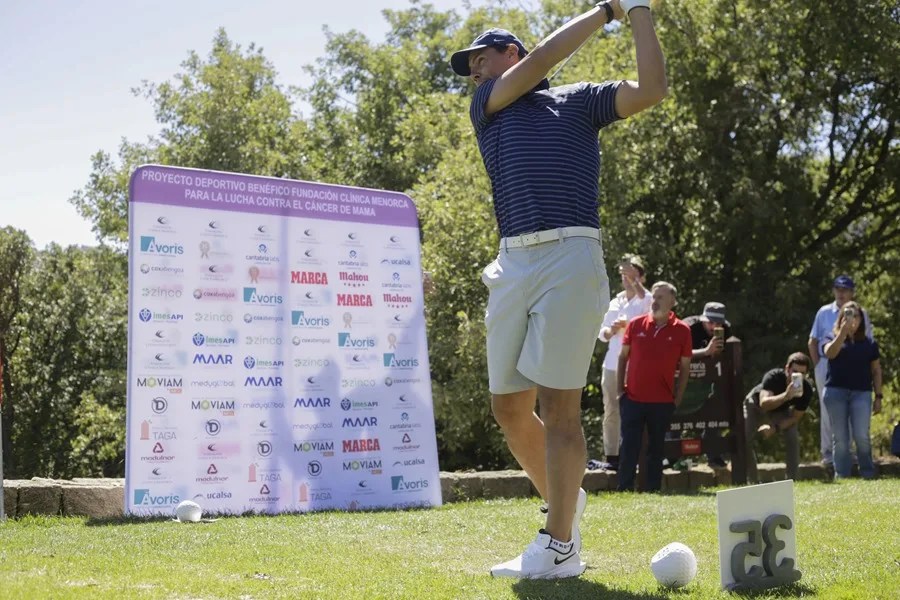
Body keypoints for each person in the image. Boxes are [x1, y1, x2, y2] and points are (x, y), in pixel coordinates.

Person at [449, 0, 666, 579]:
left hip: (571, 254)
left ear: (509, 52)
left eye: (481, 56)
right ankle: (567, 504)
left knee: (559, 408)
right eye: (469, 63)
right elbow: (546, 56)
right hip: (512, 261)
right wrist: (606, 11)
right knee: (507, 406)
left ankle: (560, 542)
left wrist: (639, 10)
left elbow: (651, 89)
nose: (473, 69)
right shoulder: (487, 107)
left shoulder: (580, 101)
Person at [616, 282, 692, 492]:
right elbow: (622, 358)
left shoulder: (683, 330)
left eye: (660, 297)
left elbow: (685, 368)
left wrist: (677, 398)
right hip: (632, 398)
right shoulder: (636, 324)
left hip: (662, 401)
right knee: (629, 446)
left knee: (656, 449)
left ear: (672, 302)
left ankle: (653, 489)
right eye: (654, 297)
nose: (654, 301)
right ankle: (624, 488)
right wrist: (619, 391)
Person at [808, 275, 874, 466]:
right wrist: (818, 364)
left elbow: (868, 341)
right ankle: (828, 452)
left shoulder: (861, 313)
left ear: (852, 292)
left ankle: (849, 453)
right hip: (826, 364)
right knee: (828, 411)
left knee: (854, 410)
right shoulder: (824, 312)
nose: (841, 293)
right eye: (838, 289)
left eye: (845, 289)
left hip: (853, 366)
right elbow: (813, 341)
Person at [596, 255, 651, 471]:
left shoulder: (646, 299)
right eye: (624, 276)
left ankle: (636, 456)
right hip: (611, 365)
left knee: (637, 412)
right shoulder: (614, 302)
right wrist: (612, 330)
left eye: (633, 276)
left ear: (641, 278)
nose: (627, 279)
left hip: (636, 365)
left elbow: (648, 312)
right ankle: (612, 457)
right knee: (611, 410)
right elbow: (602, 333)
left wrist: (630, 325)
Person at [822, 302, 883, 479]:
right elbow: (830, 353)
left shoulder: (870, 343)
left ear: (861, 320)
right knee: (840, 439)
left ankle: (867, 472)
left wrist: (878, 396)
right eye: (848, 315)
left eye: (856, 316)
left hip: (861, 393)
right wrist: (842, 333)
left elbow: (876, 370)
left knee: (861, 435)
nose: (852, 320)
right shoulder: (830, 337)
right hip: (836, 393)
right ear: (841, 318)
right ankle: (842, 474)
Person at [743, 353, 814, 483]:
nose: (798, 376)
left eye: (802, 374)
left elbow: (794, 418)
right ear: (787, 369)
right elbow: (764, 403)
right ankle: (752, 481)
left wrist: (774, 428)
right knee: (744, 438)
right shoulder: (774, 376)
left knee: (792, 436)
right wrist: (786, 396)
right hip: (755, 405)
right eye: (795, 372)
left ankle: (793, 481)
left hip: (779, 412)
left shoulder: (806, 390)